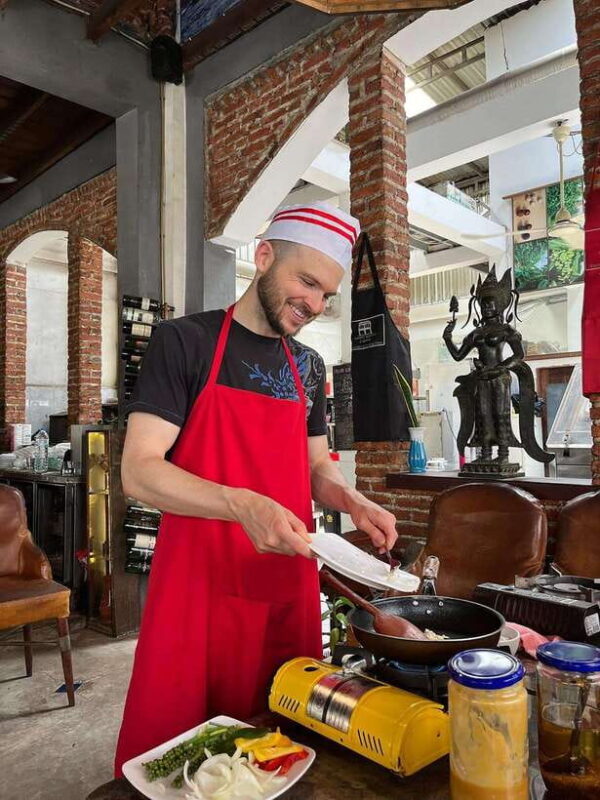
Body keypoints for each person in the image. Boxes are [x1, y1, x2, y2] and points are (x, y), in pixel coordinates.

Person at [114, 202, 398, 775]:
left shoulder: (310, 367)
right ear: (264, 258)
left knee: (279, 740)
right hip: (199, 579)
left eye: (326, 295)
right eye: (307, 282)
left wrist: (352, 499)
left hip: (284, 578)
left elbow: (317, 468)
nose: (315, 305)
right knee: (180, 751)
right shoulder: (184, 342)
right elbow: (139, 469)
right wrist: (239, 502)